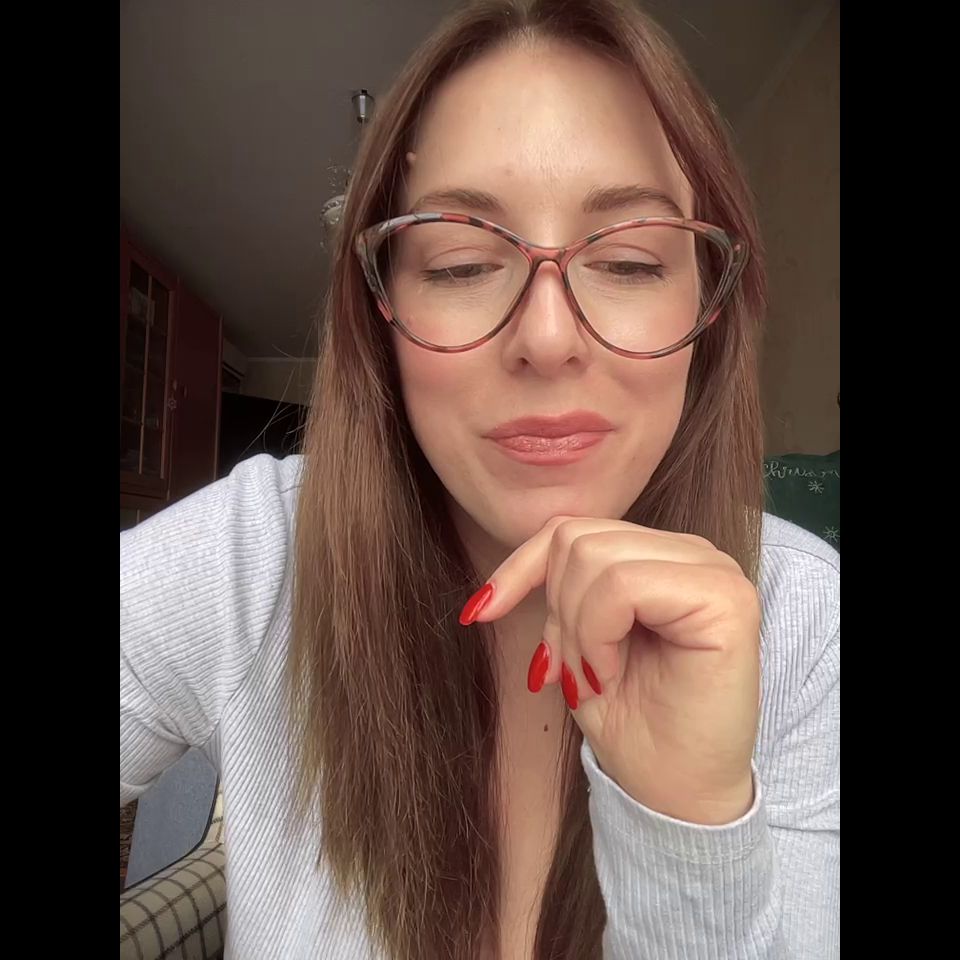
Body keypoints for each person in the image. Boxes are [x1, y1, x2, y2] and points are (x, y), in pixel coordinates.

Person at [120, 1, 840, 957]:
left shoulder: (806, 622)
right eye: (461, 265)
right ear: (379, 311)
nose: (547, 337)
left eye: (630, 261)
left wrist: (689, 832)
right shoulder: (255, 557)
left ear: (709, 310)